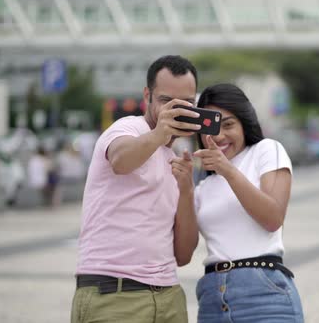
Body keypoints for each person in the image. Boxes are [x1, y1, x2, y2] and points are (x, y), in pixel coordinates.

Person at [72, 55, 201, 323]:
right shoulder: (127, 128)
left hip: (169, 295)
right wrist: (159, 134)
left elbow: (184, 255)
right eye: (167, 101)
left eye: (186, 104)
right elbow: (120, 161)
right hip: (115, 294)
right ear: (147, 96)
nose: (175, 110)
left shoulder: (176, 159)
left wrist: (187, 191)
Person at [171, 83, 304, 322]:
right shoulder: (203, 187)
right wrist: (185, 191)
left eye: (229, 124)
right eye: (210, 127)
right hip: (212, 299)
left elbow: (273, 218)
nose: (219, 135)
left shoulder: (266, 150)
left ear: (245, 122)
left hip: (264, 295)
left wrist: (227, 169)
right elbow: (182, 254)